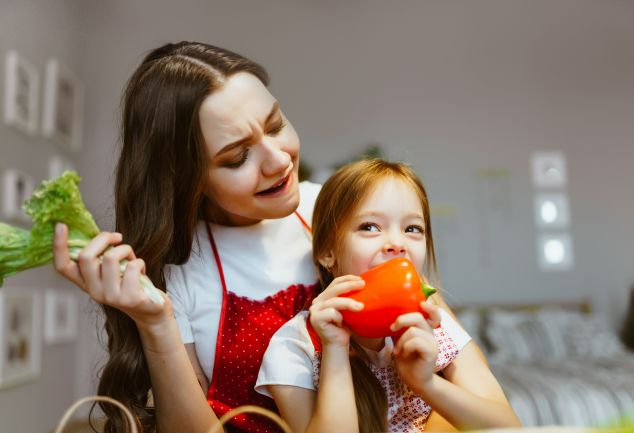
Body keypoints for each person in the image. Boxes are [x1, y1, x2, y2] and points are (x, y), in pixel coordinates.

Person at [52, 41, 475, 433]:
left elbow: (456, 371)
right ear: (188, 179)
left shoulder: (347, 214)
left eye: (274, 126)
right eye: (237, 157)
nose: (278, 161)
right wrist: (154, 322)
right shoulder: (178, 273)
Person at [255, 159, 521, 433]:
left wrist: (426, 384)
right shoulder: (294, 346)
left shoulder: (435, 324)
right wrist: (334, 349)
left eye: (412, 229)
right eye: (370, 226)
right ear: (327, 252)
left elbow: (508, 427)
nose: (397, 243)